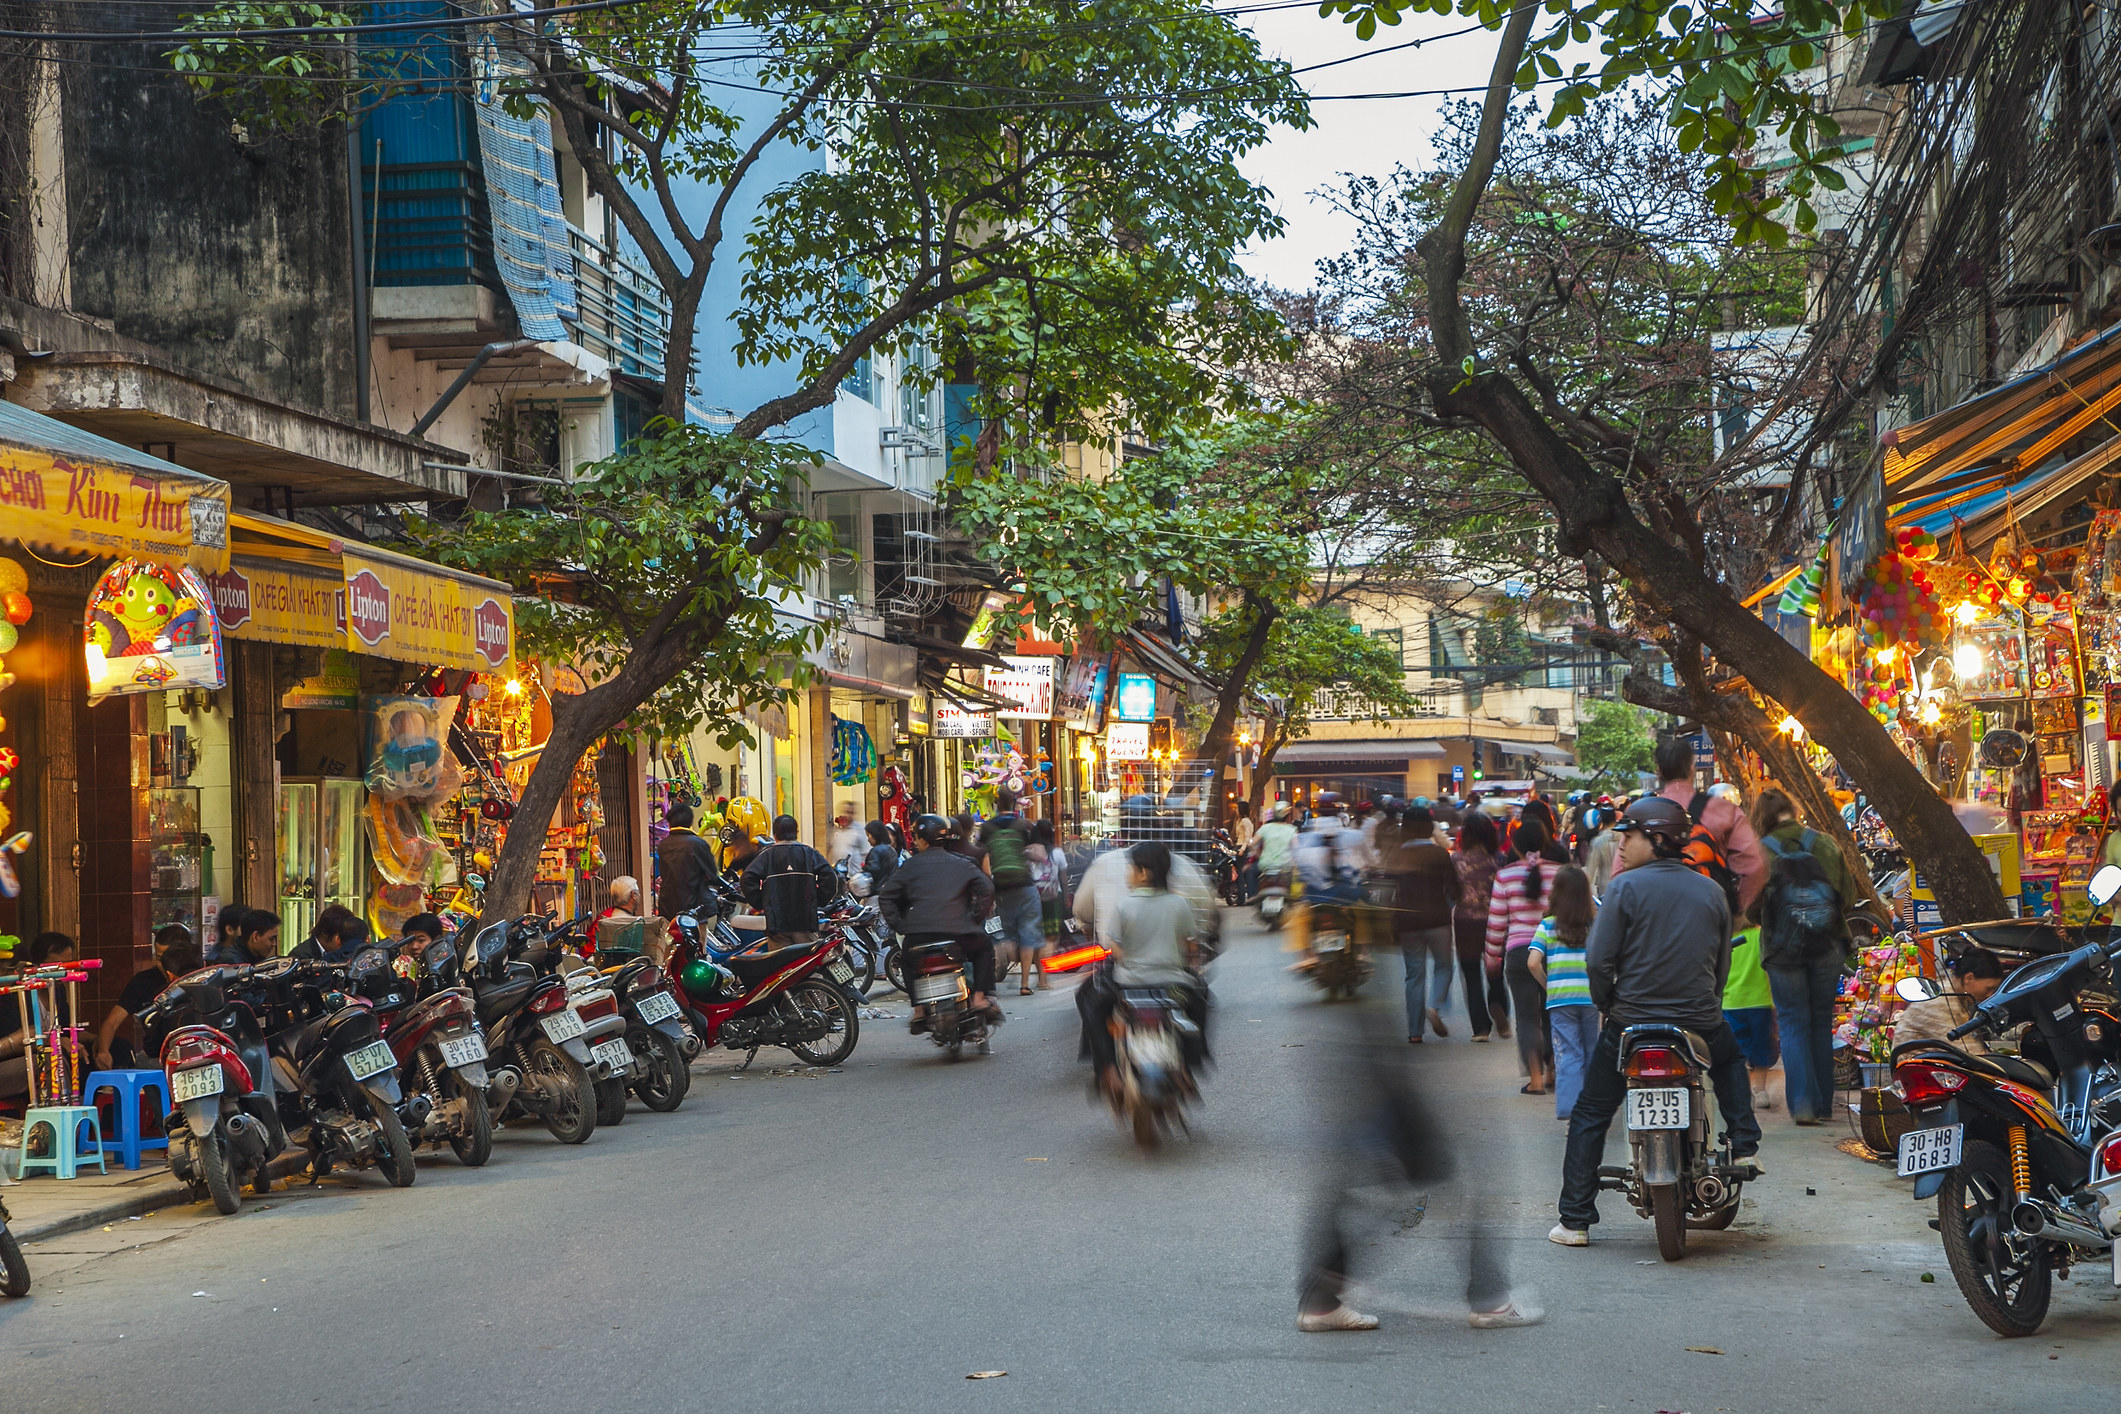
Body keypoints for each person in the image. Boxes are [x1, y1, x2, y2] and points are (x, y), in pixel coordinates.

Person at [1551, 796, 1763, 1246]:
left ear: (1658, 839)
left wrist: (1608, 1003)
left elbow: (1598, 961)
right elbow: (1720, 969)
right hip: (1699, 1023)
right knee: (1728, 1061)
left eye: (1629, 836)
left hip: (1630, 1024)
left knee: (1591, 1113)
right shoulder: (1711, 892)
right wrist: (1705, 1004)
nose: (1621, 845)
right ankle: (1744, 1140)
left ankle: (1575, 1221)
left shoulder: (1624, 889)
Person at [1749, 788, 1853, 1124]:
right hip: (1827, 945)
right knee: (1821, 1023)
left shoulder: (1759, 852)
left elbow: (1750, 908)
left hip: (1782, 951)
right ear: (1793, 810)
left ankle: (1803, 1104)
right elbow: (1846, 897)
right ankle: (1824, 1103)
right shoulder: (1825, 843)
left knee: (1793, 1023)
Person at [1077, 841, 1209, 1094]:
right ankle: (1187, 1067)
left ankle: (1108, 1069)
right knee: (1201, 1002)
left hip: (1128, 983)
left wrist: (1128, 957)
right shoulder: (1180, 905)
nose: (1128, 874)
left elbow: (1114, 946)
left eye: (1131, 868)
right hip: (1173, 984)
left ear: (1144, 872)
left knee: (1088, 1000)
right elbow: (1189, 947)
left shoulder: (1124, 906)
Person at [1613, 737, 1769, 911]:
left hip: (1655, 916)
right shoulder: (1724, 811)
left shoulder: (1640, 813)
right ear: (1691, 768)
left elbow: (1619, 872)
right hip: (1710, 915)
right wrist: (1736, 911)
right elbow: (1753, 867)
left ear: (1659, 771)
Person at [877, 813, 1000, 1019]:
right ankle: (979, 997)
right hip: (960, 932)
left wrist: (900, 924)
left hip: (919, 935)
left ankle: (918, 1009)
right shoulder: (964, 863)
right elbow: (987, 889)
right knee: (984, 947)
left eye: (916, 837)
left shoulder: (909, 865)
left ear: (923, 840)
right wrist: (975, 918)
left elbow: (886, 896)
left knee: (907, 960)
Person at [1488, 820, 1564, 1093]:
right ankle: (1553, 1069)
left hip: (1520, 953)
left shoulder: (1505, 876)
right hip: (1556, 952)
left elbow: (1497, 923)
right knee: (1552, 1013)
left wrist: (1491, 955)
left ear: (1515, 847)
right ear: (1546, 843)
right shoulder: (1560, 873)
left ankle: (1535, 1078)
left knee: (1527, 1018)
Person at [1527, 866, 1597, 1122]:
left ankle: (1571, 1111)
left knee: (1568, 1054)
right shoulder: (1594, 925)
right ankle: (1591, 1111)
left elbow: (1533, 962)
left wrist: (1550, 986)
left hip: (1560, 1001)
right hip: (1591, 999)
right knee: (1591, 1052)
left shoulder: (1547, 925)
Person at [1386, 805, 1458, 1043]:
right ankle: (1435, 1006)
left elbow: (1387, 891)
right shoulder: (1440, 854)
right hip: (1438, 920)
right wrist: (1447, 904)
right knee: (1444, 966)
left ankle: (1415, 1032)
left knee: (1414, 975)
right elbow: (1455, 890)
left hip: (1408, 922)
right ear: (1429, 827)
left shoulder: (1397, 855)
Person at [95, 925, 203, 1070]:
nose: (161, 965)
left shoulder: (206, 977)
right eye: (158, 958)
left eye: (165, 959)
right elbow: (112, 1022)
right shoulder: (143, 982)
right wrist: (103, 1051)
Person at [980, 788, 1045, 996]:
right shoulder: (1023, 825)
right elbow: (1040, 854)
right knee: (1028, 934)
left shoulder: (987, 828)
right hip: (1025, 885)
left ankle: (1011, 953)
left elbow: (982, 858)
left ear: (996, 804)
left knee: (1007, 933)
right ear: (1015, 803)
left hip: (1002, 889)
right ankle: (1025, 984)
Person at [1452, 812, 1510, 1041]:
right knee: (1496, 971)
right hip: (1495, 922)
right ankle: (1502, 1015)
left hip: (1465, 922)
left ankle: (1481, 1029)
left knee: (1471, 974)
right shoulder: (1500, 859)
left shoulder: (1456, 860)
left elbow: (1451, 891)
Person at [740, 814, 840, 943]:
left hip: (777, 924)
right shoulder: (809, 853)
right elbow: (830, 878)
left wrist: (761, 902)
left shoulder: (766, 856)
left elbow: (746, 879)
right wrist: (818, 900)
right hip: (805, 922)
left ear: (775, 835)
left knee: (781, 962)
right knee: (807, 960)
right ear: (796, 833)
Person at [1894, 948, 2008, 1054]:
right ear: (1969, 978)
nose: (1990, 994)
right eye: (1988, 989)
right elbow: (1967, 1051)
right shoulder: (1940, 1002)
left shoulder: (1956, 996)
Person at [1722, 923, 1780, 1111]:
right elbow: (1770, 969)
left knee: (1737, 1052)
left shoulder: (1723, 937)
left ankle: (1743, 1091)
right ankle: (1760, 1090)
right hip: (1759, 1001)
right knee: (1761, 1048)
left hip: (1731, 1003)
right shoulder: (1761, 934)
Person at [656, 802, 724, 918]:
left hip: (667, 908)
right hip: (694, 908)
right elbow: (712, 874)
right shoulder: (698, 844)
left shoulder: (663, 845)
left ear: (669, 822)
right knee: (699, 935)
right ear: (691, 822)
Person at [1029, 819, 1066, 982]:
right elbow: (1063, 879)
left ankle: (1040, 976)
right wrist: (1067, 897)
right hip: (1052, 898)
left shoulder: (1028, 852)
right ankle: (1043, 977)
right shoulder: (1057, 853)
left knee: (1037, 937)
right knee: (1051, 937)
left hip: (1032, 897)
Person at [292, 903, 372, 963]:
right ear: (325, 932)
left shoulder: (340, 955)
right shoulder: (301, 957)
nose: (343, 942)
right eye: (341, 936)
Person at [827, 802, 867, 873]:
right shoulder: (836, 831)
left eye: (850, 813)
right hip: (838, 875)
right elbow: (831, 852)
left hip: (853, 876)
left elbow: (865, 854)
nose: (847, 815)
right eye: (846, 812)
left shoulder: (860, 830)